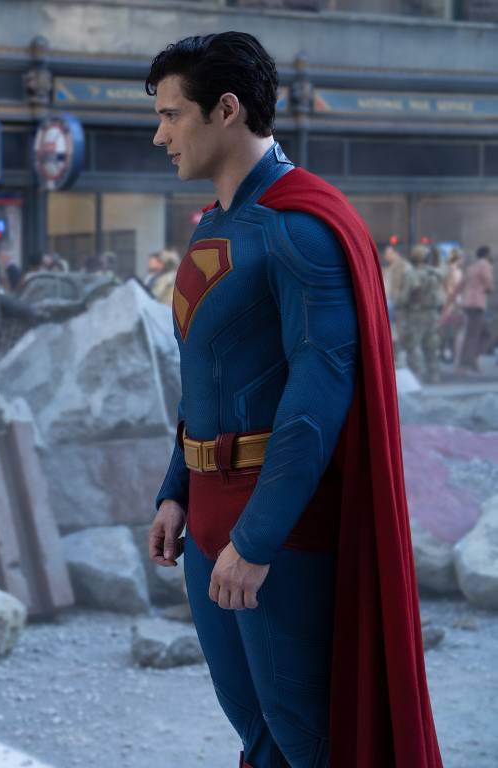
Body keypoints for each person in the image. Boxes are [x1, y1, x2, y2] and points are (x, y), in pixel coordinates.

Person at [145, 32, 440, 768]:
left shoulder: (302, 229)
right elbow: (204, 372)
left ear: (226, 110)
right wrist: (176, 488)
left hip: (280, 529)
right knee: (258, 735)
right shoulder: (218, 224)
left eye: (172, 115)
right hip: (207, 516)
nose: (160, 136)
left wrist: (257, 540)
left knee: (309, 737)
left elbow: (317, 399)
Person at [396, 244, 443, 383]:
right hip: (433, 313)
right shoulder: (435, 274)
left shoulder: (411, 274)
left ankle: (417, 375)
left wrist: (399, 304)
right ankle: (434, 374)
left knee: (414, 344)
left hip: (416, 314)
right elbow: (440, 296)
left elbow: (404, 297)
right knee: (432, 344)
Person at [457, 246, 493, 373]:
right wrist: (489, 289)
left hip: (468, 303)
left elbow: (462, 284)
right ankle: (465, 363)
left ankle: (471, 359)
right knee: (473, 335)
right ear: (486, 254)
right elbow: (488, 283)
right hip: (477, 304)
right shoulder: (485, 265)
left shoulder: (471, 267)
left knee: (485, 333)